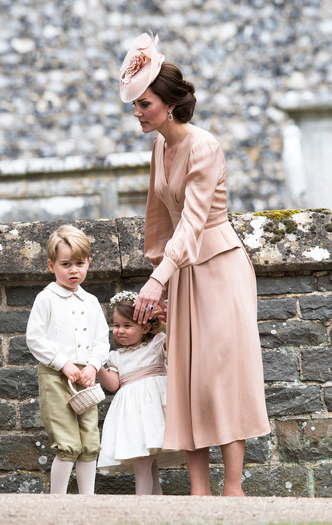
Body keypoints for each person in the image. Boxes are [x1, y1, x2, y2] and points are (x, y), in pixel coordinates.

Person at [119, 32, 271, 496]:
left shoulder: (203, 146)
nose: (138, 113)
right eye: (135, 105)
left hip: (219, 267)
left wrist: (156, 279)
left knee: (222, 372)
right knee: (185, 374)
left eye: (144, 104)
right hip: (181, 272)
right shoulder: (159, 147)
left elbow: (192, 221)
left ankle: (233, 488)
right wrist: (160, 280)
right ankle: (198, 492)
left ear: (167, 103)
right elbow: (158, 220)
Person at [26, 224, 109, 494]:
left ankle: (87, 501)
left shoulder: (92, 301)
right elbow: (35, 338)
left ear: (89, 263)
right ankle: (57, 502)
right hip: (56, 376)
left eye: (80, 263)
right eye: (65, 264)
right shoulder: (46, 298)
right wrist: (63, 363)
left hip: (86, 380)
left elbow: (101, 339)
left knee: (89, 443)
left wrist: (94, 365)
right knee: (67, 443)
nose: (74, 270)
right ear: (51, 265)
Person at [97, 291, 184, 495]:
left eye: (127, 326)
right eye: (116, 325)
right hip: (133, 415)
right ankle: (153, 505)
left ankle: (142, 505)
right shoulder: (116, 356)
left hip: (155, 410)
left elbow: (175, 345)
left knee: (144, 462)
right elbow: (112, 384)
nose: (120, 331)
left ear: (145, 327)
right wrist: (97, 366)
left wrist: (170, 321)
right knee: (145, 462)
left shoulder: (156, 343)